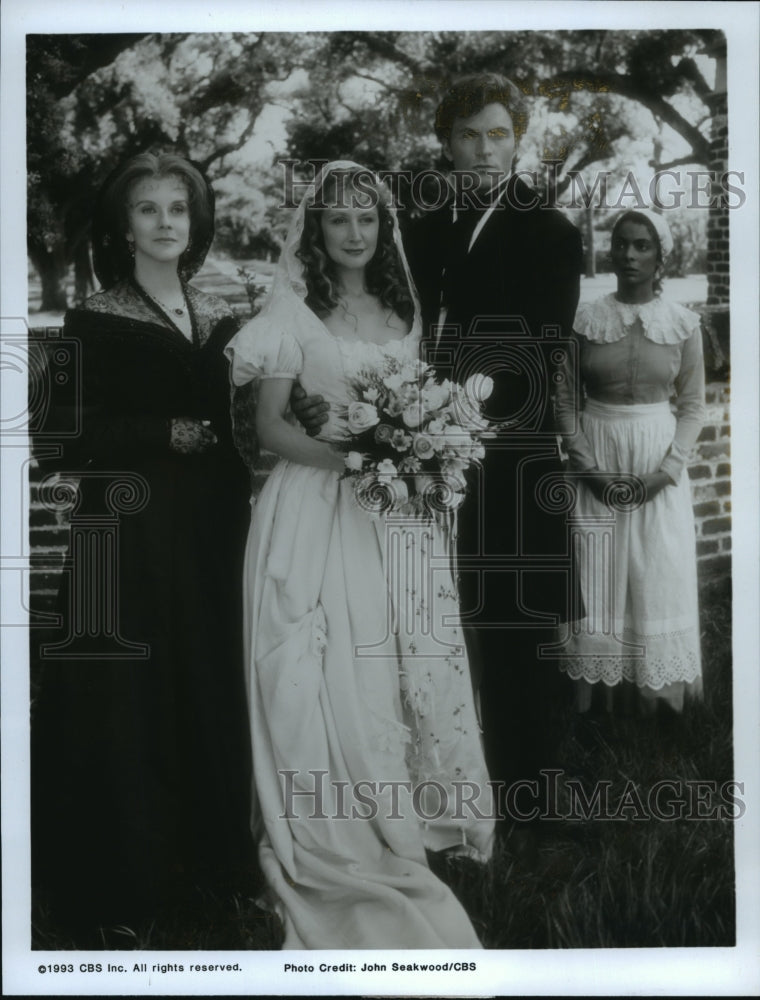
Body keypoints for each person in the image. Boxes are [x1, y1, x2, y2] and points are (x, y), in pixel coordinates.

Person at [225, 161, 493, 950]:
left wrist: (416, 451)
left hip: (399, 509)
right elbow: (269, 428)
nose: (353, 233)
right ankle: (346, 820)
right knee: (338, 658)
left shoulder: (404, 308)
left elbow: (417, 401)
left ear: (383, 228)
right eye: (337, 219)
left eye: (366, 219)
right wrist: (358, 459)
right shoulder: (291, 310)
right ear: (316, 229)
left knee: (409, 652)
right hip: (320, 505)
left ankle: (429, 809)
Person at [31, 152, 255, 926]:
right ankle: (127, 874)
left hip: (213, 527)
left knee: (206, 675)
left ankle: (213, 862)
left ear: (196, 222)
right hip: (127, 532)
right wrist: (161, 432)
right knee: (131, 695)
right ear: (123, 228)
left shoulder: (221, 314)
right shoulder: (90, 320)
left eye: (178, 208)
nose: (166, 222)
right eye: (148, 209)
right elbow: (55, 441)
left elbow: (240, 420)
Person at [403, 74, 584, 835]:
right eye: (469, 135)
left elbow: (540, 353)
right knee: (431, 621)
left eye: (498, 135)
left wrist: (458, 407)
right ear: (447, 144)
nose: (484, 150)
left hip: (509, 457)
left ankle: (532, 796)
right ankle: (443, 783)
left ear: (519, 143)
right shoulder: (420, 228)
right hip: (416, 452)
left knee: (515, 629)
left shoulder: (548, 232)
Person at [554, 209, 705, 715]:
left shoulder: (683, 324)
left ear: (661, 257)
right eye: (621, 243)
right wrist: (588, 468)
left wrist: (667, 471)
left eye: (642, 245)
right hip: (597, 454)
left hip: (656, 460)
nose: (629, 255)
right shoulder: (585, 320)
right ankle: (597, 698)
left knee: (658, 568)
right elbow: (565, 400)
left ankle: (658, 701)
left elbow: (692, 406)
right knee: (596, 571)